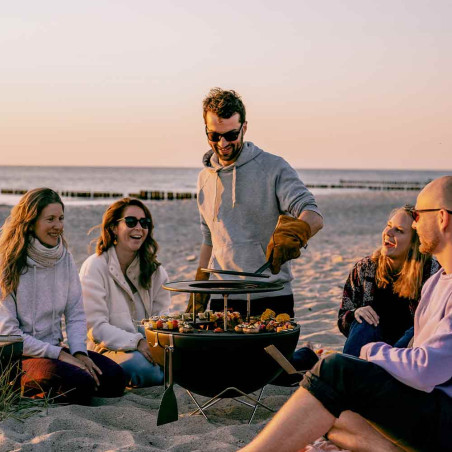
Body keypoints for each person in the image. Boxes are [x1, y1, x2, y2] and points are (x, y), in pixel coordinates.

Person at [240, 176, 452, 452]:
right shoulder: (438, 281)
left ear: (442, 218)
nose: (414, 223)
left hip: (443, 416)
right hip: (424, 399)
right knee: (332, 412)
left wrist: (370, 353)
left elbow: (425, 369)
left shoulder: (433, 276)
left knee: (335, 371)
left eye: (416, 215)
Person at [187, 88, 323, 318]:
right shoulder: (204, 178)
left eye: (231, 135)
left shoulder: (273, 167)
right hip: (222, 299)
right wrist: (199, 288)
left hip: (270, 294)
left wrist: (298, 233)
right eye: (214, 136)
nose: (222, 143)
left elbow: (313, 214)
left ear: (244, 128)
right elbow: (209, 240)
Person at [0, 188, 126, 405]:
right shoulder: (7, 264)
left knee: (115, 379)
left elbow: (75, 312)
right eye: (50, 219)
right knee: (80, 383)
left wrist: (78, 353)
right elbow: (10, 335)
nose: (58, 226)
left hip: (54, 349)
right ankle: (20, 386)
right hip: (18, 357)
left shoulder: (63, 258)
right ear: (30, 222)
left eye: (60, 218)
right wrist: (59, 355)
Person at [79, 198, 171, 388]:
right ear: (114, 227)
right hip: (107, 348)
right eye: (131, 222)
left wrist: (156, 346)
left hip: (151, 345)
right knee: (144, 369)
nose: (139, 228)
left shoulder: (155, 270)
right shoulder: (95, 266)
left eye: (144, 223)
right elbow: (95, 328)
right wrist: (136, 342)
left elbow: (162, 319)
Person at [339, 205, 439, 356]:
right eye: (389, 226)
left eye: (398, 230)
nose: (388, 233)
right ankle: (347, 369)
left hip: (408, 353)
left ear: (414, 242)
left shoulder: (432, 272)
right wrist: (355, 314)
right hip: (370, 348)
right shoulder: (365, 268)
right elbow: (342, 319)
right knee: (364, 321)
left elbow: (438, 325)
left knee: (418, 328)